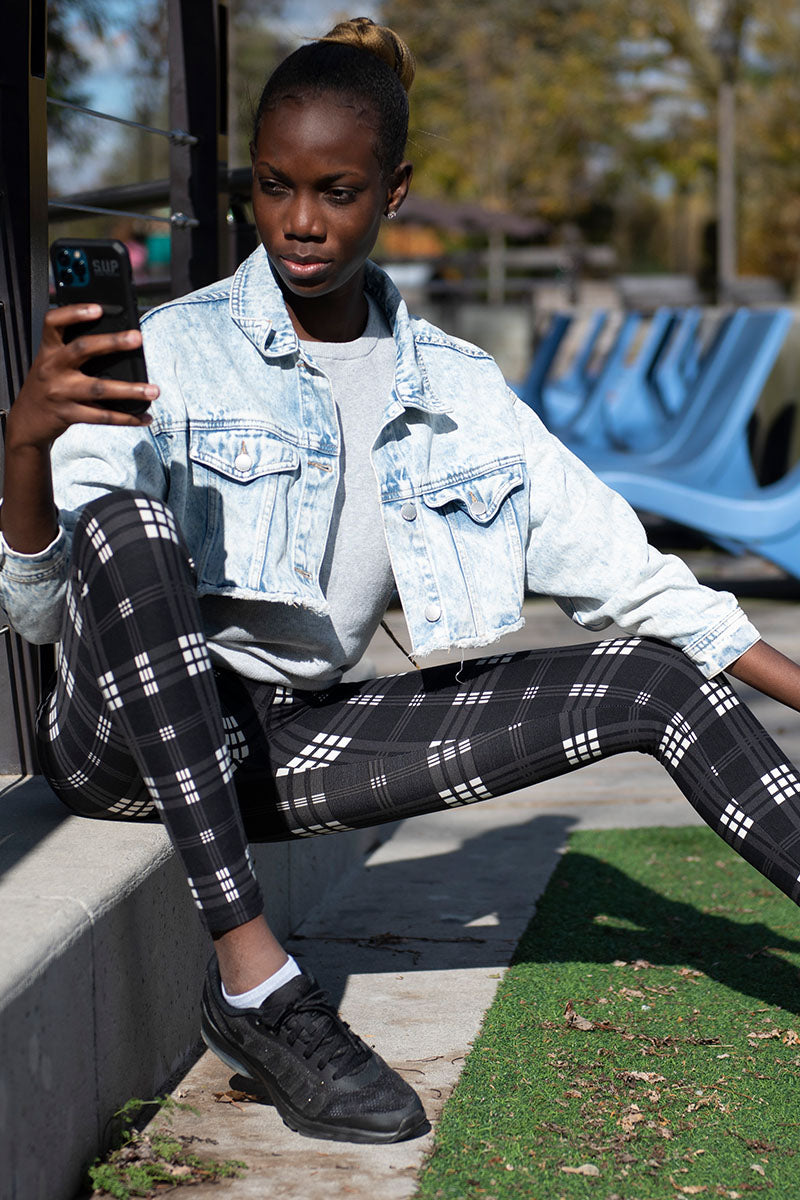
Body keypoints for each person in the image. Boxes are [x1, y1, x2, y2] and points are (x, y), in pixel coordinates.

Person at [3, 15, 800, 1147]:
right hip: (115, 739)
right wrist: (26, 448)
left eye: (334, 191)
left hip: (281, 739)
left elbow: (635, 579)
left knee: (654, 678)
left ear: (394, 192)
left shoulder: (458, 390)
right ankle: (255, 985)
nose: (298, 224)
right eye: (273, 188)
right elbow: (37, 610)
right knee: (130, 529)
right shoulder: (170, 352)